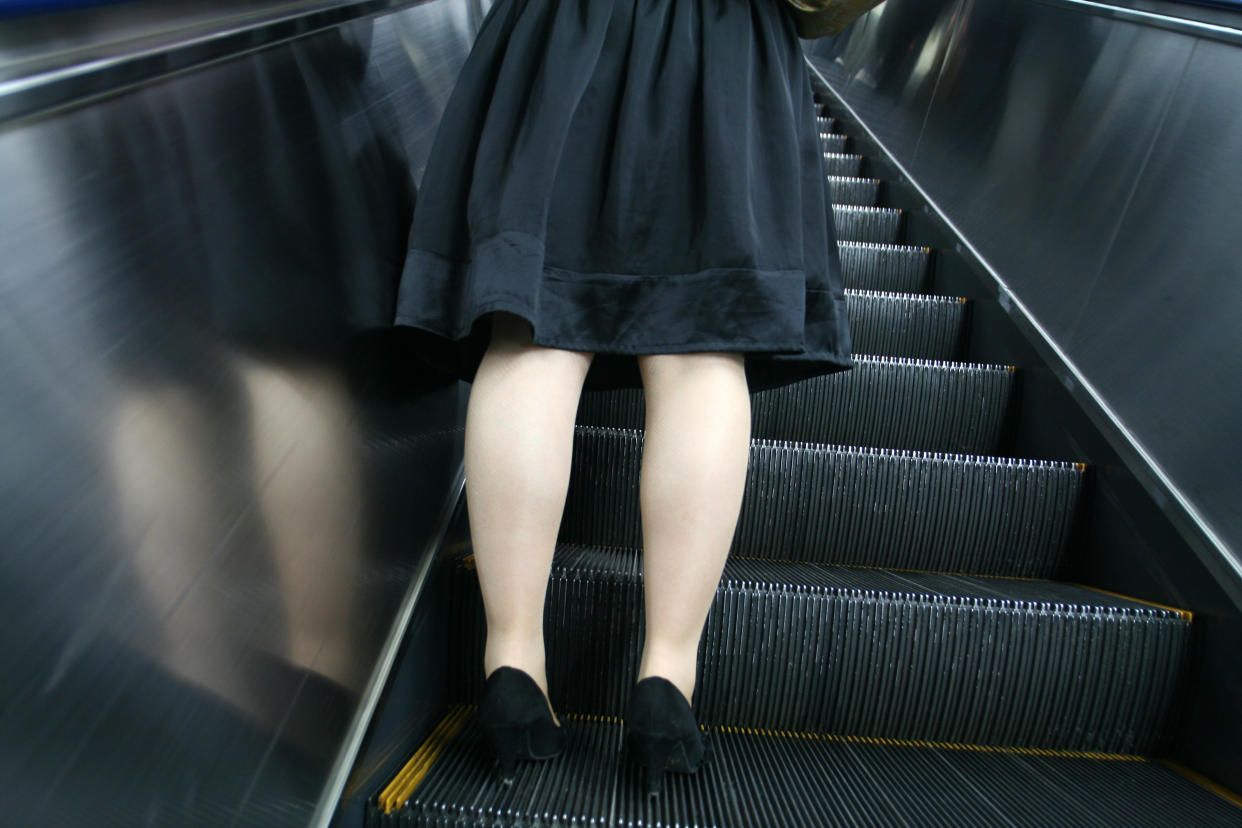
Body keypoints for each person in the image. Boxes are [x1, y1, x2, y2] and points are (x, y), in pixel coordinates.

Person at [394, 0, 851, 796]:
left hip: (560, 35)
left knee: (534, 333)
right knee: (702, 351)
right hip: (725, 46)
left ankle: (511, 662)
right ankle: (667, 683)